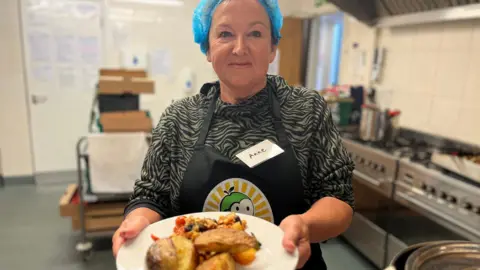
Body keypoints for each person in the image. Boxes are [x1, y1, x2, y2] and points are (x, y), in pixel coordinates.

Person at [112, 0, 355, 269]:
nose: (240, 48)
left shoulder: (306, 109)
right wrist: (137, 221)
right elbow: (151, 196)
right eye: (225, 34)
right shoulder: (178, 118)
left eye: (255, 33)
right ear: (207, 47)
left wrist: (306, 225)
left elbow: (338, 199)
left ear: (273, 47)